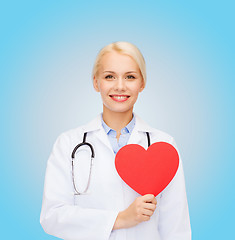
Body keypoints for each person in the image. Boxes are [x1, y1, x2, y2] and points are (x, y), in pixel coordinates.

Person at [40, 41, 191, 240]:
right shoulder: (68, 144)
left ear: (142, 83)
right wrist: (120, 219)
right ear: (96, 83)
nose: (120, 86)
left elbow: (176, 227)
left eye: (130, 77)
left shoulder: (163, 145)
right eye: (109, 76)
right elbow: (52, 216)